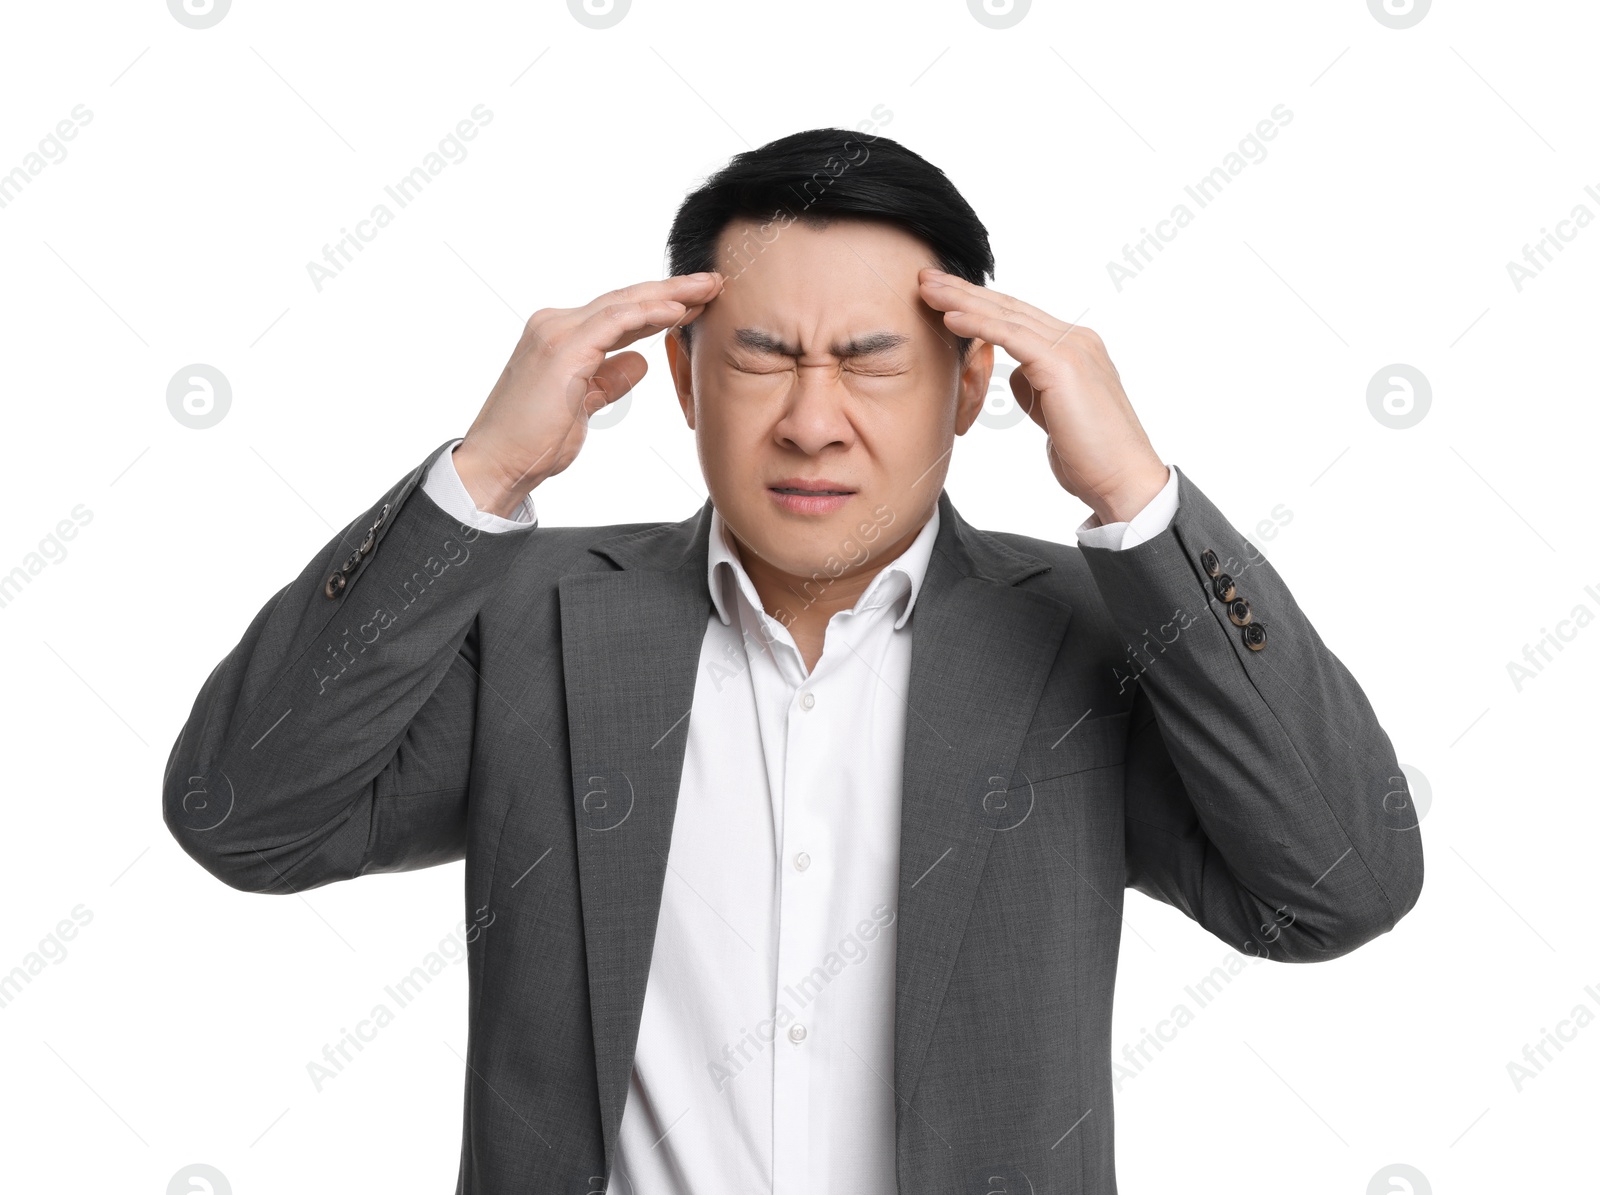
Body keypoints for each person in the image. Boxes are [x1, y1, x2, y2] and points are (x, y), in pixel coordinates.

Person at [163, 128, 1424, 1194]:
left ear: (973, 378)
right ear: (684, 377)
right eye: (763, 358)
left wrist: (1138, 500)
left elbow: (1339, 886)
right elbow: (244, 817)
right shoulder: (533, 618)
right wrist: (484, 476)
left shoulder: (1086, 633)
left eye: (871, 362)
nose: (812, 422)